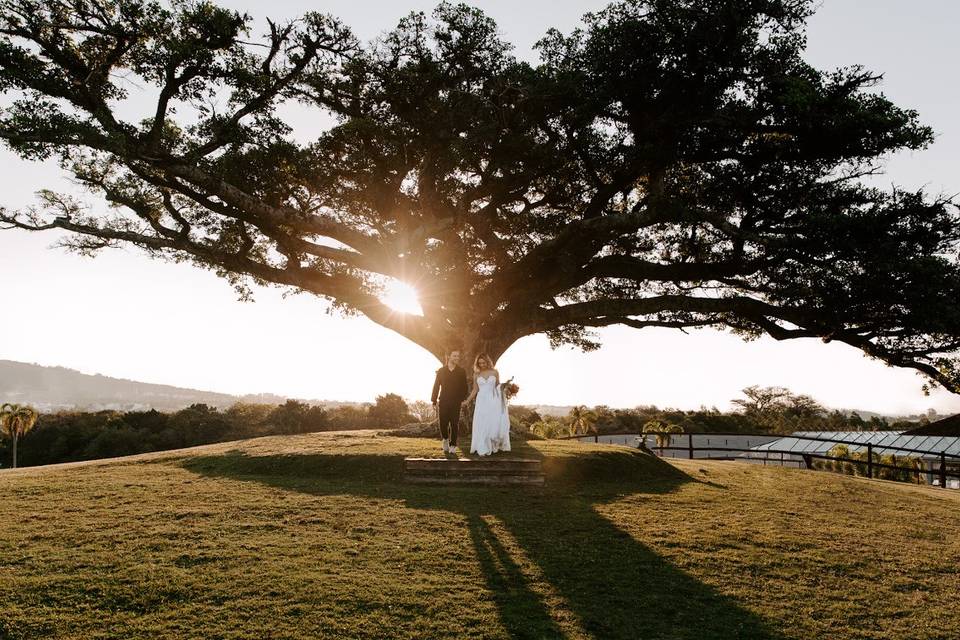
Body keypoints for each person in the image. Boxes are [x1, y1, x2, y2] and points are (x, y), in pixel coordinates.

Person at [466, 353, 511, 456]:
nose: (482, 365)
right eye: (480, 363)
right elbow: (475, 390)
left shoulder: (495, 372)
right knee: (482, 422)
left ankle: (492, 445)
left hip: (493, 399)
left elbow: (498, 387)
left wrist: (507, 388)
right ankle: (482, 445)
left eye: (484, 362)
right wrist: (467, 401)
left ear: (488, 361)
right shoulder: (476, 374)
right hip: (481, 401)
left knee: (492, 421)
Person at [430, 349, 468, 454]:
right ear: (448, 356)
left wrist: (462, 399)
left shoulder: (461, 371)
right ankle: (445, 439)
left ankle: (453, 444)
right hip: (443, 400)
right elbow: (436, 386)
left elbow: (464, 387)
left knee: (454, 423)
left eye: (458, 356)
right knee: (443, 423)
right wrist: (434, 400)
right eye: (454, 356)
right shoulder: (441, 371)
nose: (456, 358)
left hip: (456, 401)